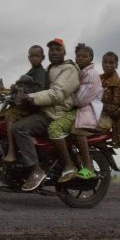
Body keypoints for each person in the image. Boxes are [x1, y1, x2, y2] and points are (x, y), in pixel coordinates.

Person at [12, 38, 79, 191]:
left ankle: (36, 171)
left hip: (54, 113)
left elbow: (57, 94)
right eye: (51, 50)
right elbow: (36, 86)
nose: (54, 52)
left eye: (58, 49)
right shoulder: (50, 69)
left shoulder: (69, 69)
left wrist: (30, 98)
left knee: (19, 128)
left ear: (64, 52)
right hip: (45, 110)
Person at [0, 45, 49, 163]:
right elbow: (24, 86)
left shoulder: (40, 72)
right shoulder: (31, 71)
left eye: (37, 56)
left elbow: (38, 90)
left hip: (32, 106)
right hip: (27, 104)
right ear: (28, 57)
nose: (35, 58)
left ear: (43, 57)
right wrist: (11, 89)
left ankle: (12, 151)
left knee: (10, 115)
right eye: (32, 56)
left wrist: (21, 91)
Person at [69, 43, 104, 179]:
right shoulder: (81, 71)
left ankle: (89, 167)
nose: (81, 58)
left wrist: (68, 97)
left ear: (91, 58)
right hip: (83, 107)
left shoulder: (90, 74)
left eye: (85, 56)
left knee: (78, 131)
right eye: (78, 56)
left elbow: (80, 100)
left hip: (89, 108)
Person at [96, 51, 120, 149]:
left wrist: (98, 104)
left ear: (116, 65)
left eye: (111, 63)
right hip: (96, 114)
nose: (107, 65)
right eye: (105, 62)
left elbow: (119, 109)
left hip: (110, 120)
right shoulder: (98, 78)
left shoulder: (119, 84)